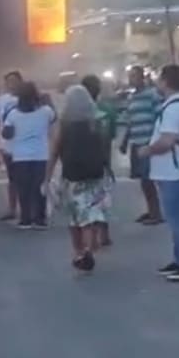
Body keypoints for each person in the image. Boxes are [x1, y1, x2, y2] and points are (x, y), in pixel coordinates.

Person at [138, 64, 179, 282]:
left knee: (177, 220)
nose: (157, 83)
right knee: (177, 219)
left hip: (175, 172)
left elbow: (167, 141)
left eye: (159, 79)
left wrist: (147, 150)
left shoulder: (175, 108)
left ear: (166, 81)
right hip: (174, 170)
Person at [47, 85, 110, 271]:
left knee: (75, 216)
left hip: (72, 176)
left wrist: (47, 176)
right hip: (95, 174)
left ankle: (79, 251)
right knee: (90, 213)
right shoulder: (97, 122)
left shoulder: (64, 124)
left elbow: (54, 152)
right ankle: (89, 248)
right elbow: (105, 147)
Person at [2, 81, 55, 229]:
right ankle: (40, 219)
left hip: (20, 156)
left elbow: (6, 134)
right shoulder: (46, 111)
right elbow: (54, 119)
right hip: (40, 154)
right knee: (39, 187)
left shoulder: (13, 113)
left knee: (23, 188)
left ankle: (25, 219)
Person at [119, 65, 164, 225]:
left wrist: (155, 141)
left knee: (149, 179)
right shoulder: (132, 98)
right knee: (143, 180)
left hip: (148, 143)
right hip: (136, 143)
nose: (131, 80)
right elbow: (130, 121)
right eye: (130, 76)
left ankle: (157, 213)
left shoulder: (152, 95)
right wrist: (125, 141)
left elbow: (160, 116)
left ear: (142, 78)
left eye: (134, 76)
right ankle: (151, 210)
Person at [80, 74, 116, 247]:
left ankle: (91, 237)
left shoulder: (77, 112)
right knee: (102, 197)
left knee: (87, 199)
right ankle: (104, 234)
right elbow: (111, 135)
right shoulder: (107, 110)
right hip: (103, 160)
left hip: (82, 162)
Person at [0, 71, 23, 220]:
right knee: (12, 178)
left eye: (14, 81)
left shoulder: (28, 99)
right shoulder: (1, 101)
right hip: (7, 145)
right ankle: (12, 209)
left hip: (24, 144)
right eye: (8, 82)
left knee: (27, 179)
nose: (11, 84)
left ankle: (29, 209)